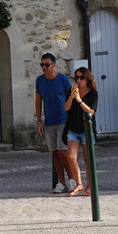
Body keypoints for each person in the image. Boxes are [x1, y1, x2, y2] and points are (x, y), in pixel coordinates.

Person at [34, 54, 75, 194]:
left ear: (54, 65)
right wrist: (39, 121)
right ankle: (61, 182)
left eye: (47, 65)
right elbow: (38, 101)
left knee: (63, 152)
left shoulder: (62, 79)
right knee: (55, 153)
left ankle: (72, 180)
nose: (44, 68)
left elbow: (71, 97)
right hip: (49, 121)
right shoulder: (39, 81)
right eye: (42, 65)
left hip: (63, 120)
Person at [64, 68, 98, 197]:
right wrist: (72, 97)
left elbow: (90, 111)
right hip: (73, 128)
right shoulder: (72, 91)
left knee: (87, 158)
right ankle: (79, 184)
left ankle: (90, 186)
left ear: (87, 78)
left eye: (81, 78)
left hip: (86, 130)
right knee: (71, 156)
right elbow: (66, 108)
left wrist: (79, 100)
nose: (78, 80)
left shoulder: (93, 93)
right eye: (76, 77)